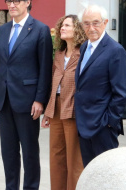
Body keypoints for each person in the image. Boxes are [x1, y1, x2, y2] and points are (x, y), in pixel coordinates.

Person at [0, 0, 52, 190]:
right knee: (8, 151)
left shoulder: (40, 29)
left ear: (27, 3)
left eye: (16, 1)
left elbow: (45, 68)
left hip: (28, 101)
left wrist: (40, 100)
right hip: (5, 100)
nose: (12, 5)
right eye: (9, 1)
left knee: (29, 151)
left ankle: (31, 187)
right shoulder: (2, 30)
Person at [75, 4, 126, 167]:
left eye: (95, 22)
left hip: (102, 126)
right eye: (86, 23)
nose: (91, 28)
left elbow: (122, 93)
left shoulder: (115, 50)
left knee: (106, 174)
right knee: (90, 173)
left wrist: (109, 122)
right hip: (84, 123)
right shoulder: (85, 46)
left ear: (105, 23)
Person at [41, 15, 86, 190]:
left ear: (77, 30)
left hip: (74, 108)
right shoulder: (58, 55)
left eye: (67, 25)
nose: (62, 28)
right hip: (56, 107)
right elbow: (53, 82)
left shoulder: (83, 53)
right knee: (56, 155)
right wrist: (48, 110)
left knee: (74, 158)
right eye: (62, 25)